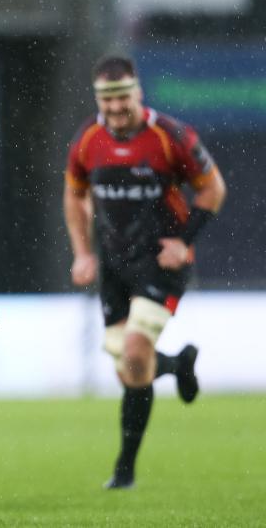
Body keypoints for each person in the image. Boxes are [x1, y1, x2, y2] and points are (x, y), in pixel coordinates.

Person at [63, 55, 226, 489]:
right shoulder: (88, 138)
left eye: (123, 98)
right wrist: (82, 252)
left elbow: (213, 188)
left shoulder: (170, 136)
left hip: (161, 262)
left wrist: (184, 241)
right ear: (98, 98)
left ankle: (124, 471)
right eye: (107, 100)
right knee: (128, 368)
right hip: (114, 264)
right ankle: (177, 363)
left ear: (138, 92)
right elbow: (74, 193)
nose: (116, 108)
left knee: (135, 355)